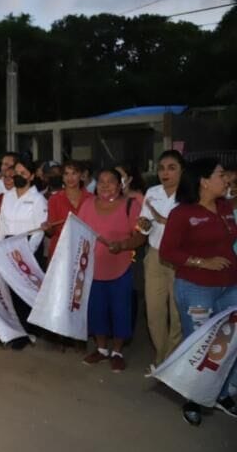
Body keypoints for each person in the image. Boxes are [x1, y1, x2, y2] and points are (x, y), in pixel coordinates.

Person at [159, 158, 237, 426]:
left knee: (227, 343)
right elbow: (168, 252)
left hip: (230, 287)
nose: (227, 179)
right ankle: (192, 399)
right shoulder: (182, 213)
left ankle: (222, 394)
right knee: (200, 345)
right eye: (221, 174)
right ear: (204, 181)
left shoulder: (225, 207)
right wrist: (203, 262)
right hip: (196, 289)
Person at [77, 168, 146, 372]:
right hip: (92, 267)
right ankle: (101, 349)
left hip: (121, 267)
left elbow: (141, 236)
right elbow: (78, 230)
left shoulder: (131, 206)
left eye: (111, 181)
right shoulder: (87, 204)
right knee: (96, 309)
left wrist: (123, 245)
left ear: (119, 185)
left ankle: (117, 352)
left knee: (120, 310)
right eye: (101, 181)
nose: (105, 185)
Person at [137, 150, 184, 365]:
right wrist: (144, 224)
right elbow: (144, 224)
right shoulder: (152, 192)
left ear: (182, 170)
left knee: (177, 313)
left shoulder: (190, 194)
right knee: (154, 311)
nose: (165, 173)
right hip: (155, 255)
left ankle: (172, 361)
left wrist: (161, 219)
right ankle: (161, 356)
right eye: (162, 168)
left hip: (180, 257)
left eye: (172, 168)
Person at [0, 159, 48, 349]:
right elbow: (2, 223)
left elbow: (40, 230)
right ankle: (12, 330)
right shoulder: (7, 196)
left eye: (23, 173)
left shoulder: (38, 199)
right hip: (8, 245)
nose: (18, 176)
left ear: (31, 176)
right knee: (9, 291)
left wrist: (27, 253)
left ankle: (26, 333)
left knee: (24, 291)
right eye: (16, 172)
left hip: (28, 247)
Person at [43, 160, 92, 260]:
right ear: (62, 177)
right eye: (66, 174)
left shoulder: (91, 199)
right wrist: (47, 228)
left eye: (74, 173)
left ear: (81, 175)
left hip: (84, 250)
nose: (70, 178)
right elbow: (52, 231)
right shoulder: (54, 199)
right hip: (60, 251)